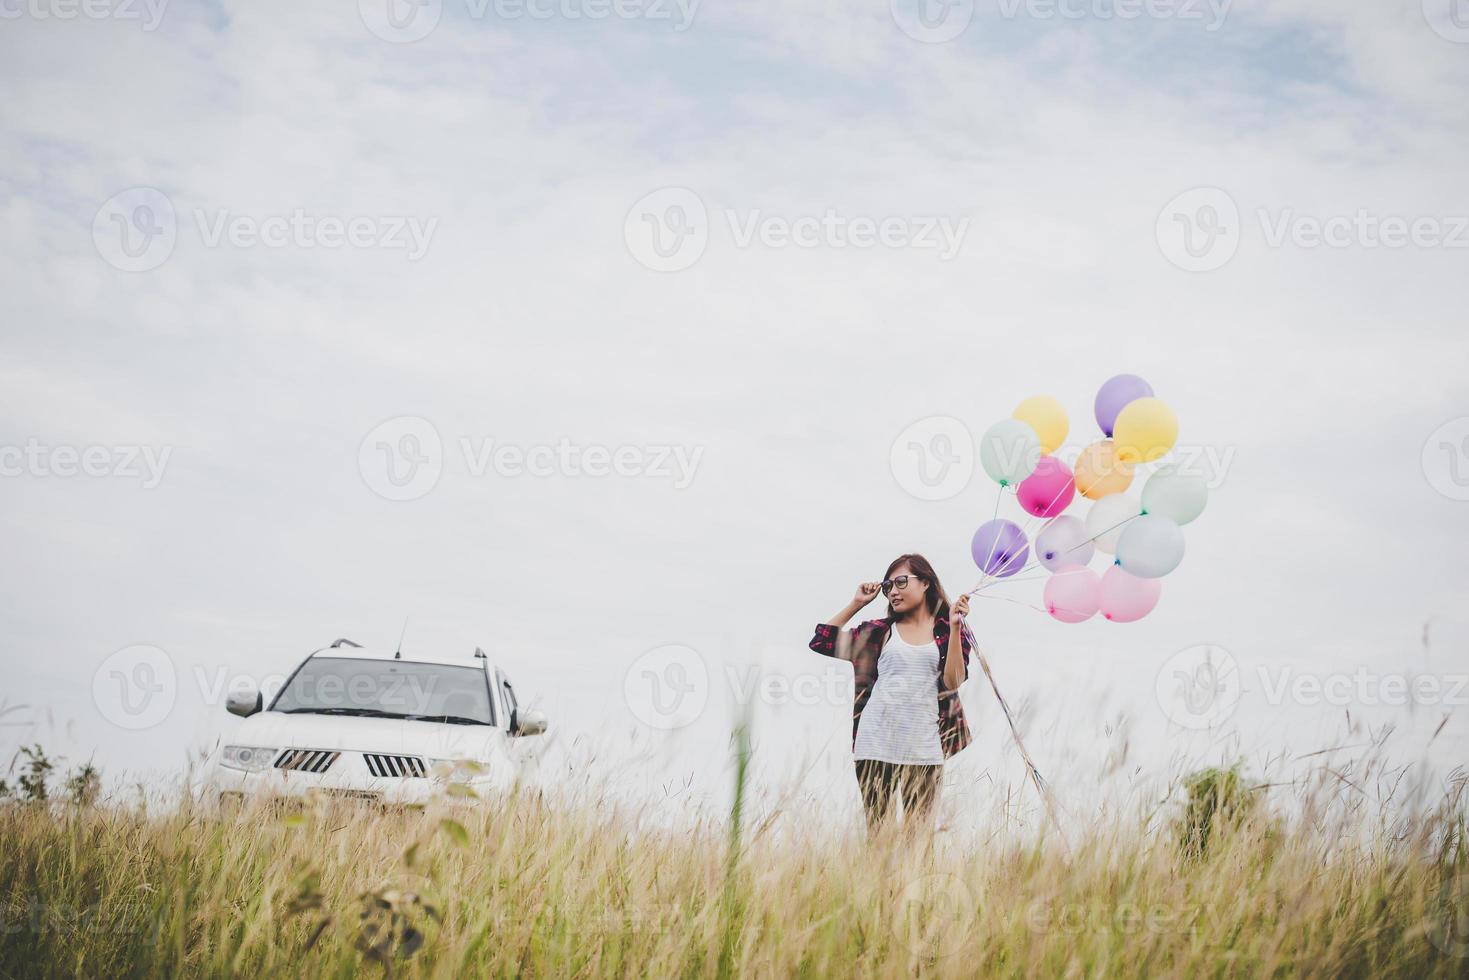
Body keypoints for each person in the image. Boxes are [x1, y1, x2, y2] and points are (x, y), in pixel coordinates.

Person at [808, 553, 974, 842]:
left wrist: (957, 627)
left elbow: (953, 681)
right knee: (879, 838)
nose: (893, 592)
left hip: (924, 750)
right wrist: (856, 604)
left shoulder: (948, 630)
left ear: (925, 583)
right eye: (888, 586)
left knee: (918, 842)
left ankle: (912, 889)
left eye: (900, 582)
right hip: (875, 746)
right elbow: (822, 640)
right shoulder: (877, 632)